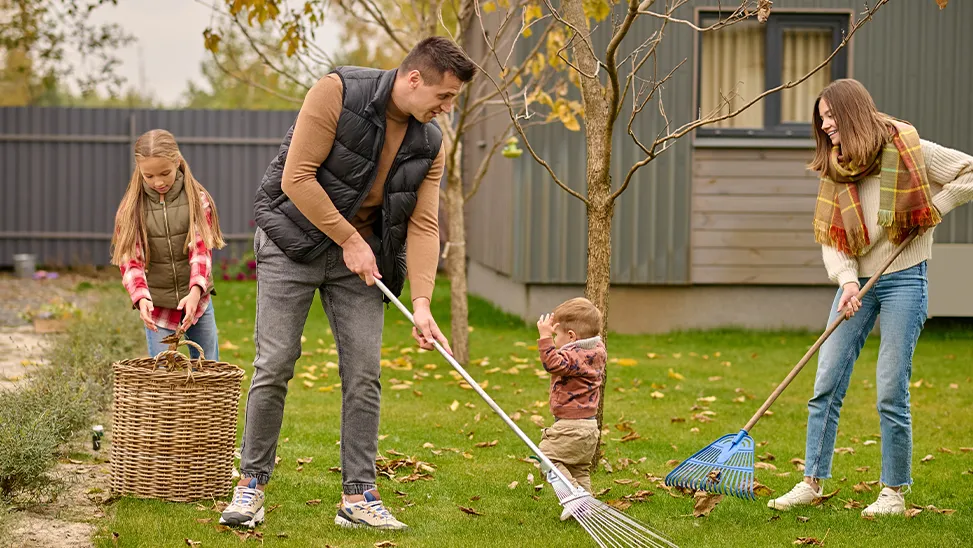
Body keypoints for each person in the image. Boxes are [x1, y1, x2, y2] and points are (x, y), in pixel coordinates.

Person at [219, 36, 476, 530]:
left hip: (359, 262)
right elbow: (297, 177)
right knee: (274, 363)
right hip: (291, 242)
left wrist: (422, 302)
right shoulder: (338, 90)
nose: (447, 109)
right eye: (443, 97)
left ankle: (358, 497)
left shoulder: (429, 142)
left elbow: (423, 225)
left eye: (453, 101)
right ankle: (250, 485)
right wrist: (348, 239)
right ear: (414, 78)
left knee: (364, 372)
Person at [767, 79, 973, 517]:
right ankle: (811, 481)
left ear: (854, 112)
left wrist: (937, 206)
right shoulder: (837, 167)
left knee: (890, 388)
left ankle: (893, 492)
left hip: (904, 278)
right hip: (855, 284)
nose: (825, 126)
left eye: (831, 116)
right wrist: (845, 281)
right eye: (820, 119)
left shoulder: (908, 147)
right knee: (826, 382)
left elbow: (968, 171)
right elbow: (833, 238)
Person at [111, 129, 225, 361]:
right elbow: (130, 260)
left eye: (165, 173)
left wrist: (194, 293)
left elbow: (201, 251)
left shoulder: (197, 199)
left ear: (177, 162)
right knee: (162, 376)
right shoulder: (131, 208)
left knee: (207, 369)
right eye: (149, 176)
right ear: (139, 171)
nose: (159, 182)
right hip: (157, 307)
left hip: (198, 302)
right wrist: (140, 298)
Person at [535, 297, 606, 521]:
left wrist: (545, 337)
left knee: (546, 457)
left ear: (573, 337)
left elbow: (552, 364)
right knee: (578, 470)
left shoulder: (574, 356)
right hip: (589, 428)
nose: (555, 340)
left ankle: (576, 498)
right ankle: (587, 509)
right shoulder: (597, 350)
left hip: (571, 427)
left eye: (558, 335)